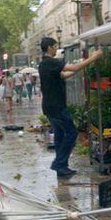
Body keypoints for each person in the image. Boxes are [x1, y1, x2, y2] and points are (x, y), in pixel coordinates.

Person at [39, 37, 103, 177]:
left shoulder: (45, 64)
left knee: (60, 136)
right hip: (57, 106)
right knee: (72, 133)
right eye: (55, 46)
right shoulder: (51, 62)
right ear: (49, 48)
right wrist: (92, 58)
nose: (56, 49)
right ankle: (59, 163)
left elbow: (64, 75)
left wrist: (81, 66)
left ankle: (62, 167)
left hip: (50, 106)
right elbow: (73, 68)